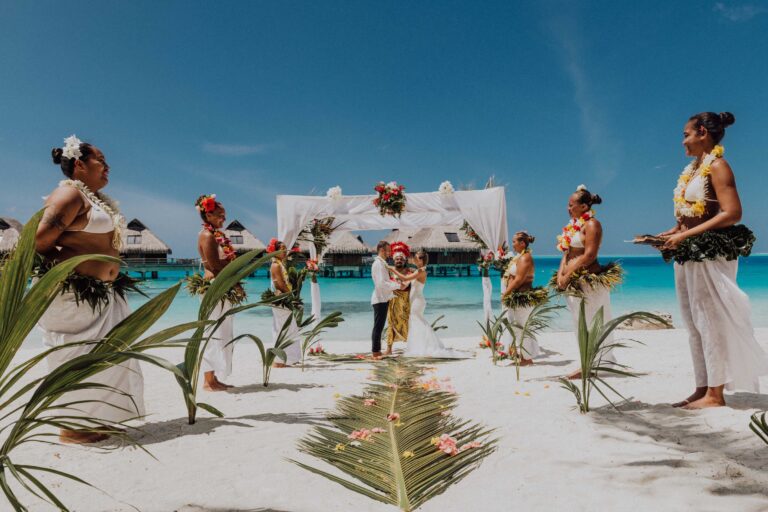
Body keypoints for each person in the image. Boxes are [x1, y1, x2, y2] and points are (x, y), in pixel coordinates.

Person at [36, 135, 143, 444]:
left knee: (106, 360)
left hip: (103, 294)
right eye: (101, 160)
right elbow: (41, 240)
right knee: (78, 359)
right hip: (79, 297)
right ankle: (72, 427)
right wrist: (73, 267)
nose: (107, 166)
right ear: (80, 164)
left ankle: (95, 420)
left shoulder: (93, 199)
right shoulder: (68, 196)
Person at [658, 111, 768, 409]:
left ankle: (716, 394)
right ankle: (702, 386)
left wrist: (687, 236)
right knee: (692, 321)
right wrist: (673, 232)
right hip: (689, 251)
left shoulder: (718, 166)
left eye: (686, 134)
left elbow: (732, 213)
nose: (683, 140)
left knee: (709, 320)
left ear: (702, 132)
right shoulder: (693, 169)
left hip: (709, 252)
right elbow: (692, 213)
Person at [554, 185, 622, 379]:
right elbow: (567, 252)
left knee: (593, 321)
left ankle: (598, 364)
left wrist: (568, 275)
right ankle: (586, 362)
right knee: (579, 322)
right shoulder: (572, 226)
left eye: (571, 205)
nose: (568, 208)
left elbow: (590, 254)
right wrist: (561, 274)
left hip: (588, 282)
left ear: (584, 207)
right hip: (573, 282)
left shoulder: (592, 224)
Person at [195, 194, 239, 391]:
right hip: (213, 287)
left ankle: (214, 378)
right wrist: (235, 272)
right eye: (220, 215)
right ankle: (207, 381)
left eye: (224, 215)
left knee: (221, 332)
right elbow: (214, 265)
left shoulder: (217, 236)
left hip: (221, 286)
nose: (224, 219)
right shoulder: (207, 236)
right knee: (211, 332)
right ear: (209, 215)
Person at [389, 250, 462, 358]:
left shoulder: (421, 271)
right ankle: (420, 345)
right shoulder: (418, 271)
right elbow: (404, 284)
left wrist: (392, 269)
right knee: (416, 323)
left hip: (417, 301)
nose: (414, 258)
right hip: (415, 300)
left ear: (421, 260)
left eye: (416, 257)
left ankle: (425, 346)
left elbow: (405, 278)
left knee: (418, 322)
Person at [501, 231, 546, 365]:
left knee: (521, 327)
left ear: (522, 243)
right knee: (519, 327)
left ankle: (527, 358)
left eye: (514, 242)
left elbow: (519, 279)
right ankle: (526, 356)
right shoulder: (519, 257)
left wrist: (506, 293)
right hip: (516, 297)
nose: (512, 244)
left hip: (522, 298)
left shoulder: (525, 258)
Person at [268, 239, 303, 367]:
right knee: (282, 329)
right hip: (281, 301)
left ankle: (286, 359)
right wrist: (291, 297)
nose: (285, 251)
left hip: (284, 300)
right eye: (282, 248)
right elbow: (280, 284)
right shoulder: (276, 265)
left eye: (285, 248)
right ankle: (278, 361)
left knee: (288, 329)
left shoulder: (279, 264)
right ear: (274, 251)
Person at [371, 241, 400, 359]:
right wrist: (398, 286)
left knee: (380, 326)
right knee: (378, 326)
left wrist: (395, 283)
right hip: (380, 298)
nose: (390, 253)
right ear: (382, 250)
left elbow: (385, 282)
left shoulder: (382, 263)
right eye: (388, 250)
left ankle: (377, 351)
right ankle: (376, 352)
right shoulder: (378, 264)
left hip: (383, 297)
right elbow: (381, 284)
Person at [385, 242, 413, 355]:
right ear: (394, 259)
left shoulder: (409, 272)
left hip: (405, 303)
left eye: (401, 258)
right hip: (392, 302)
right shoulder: (389, 271)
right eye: (397, 259)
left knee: (407, 324)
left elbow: (405, 284)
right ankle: (389, 349)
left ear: (405, 260)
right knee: (390, 324)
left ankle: (411, 347)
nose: (399, 260)